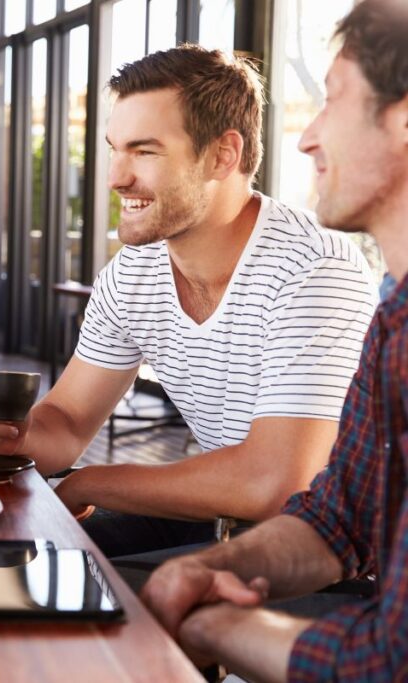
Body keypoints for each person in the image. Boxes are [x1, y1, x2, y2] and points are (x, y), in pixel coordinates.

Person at [0, 44, 379, 559]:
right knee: (1, 556)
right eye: (115, 148)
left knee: (92, 586)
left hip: (335, 549)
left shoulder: (314, 271)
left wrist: (89, 483)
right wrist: (14, 434)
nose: (116, 177)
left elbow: (278, 483)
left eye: (144, 151)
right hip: (217, 516)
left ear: (223, 155)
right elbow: (67, 423)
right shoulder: (133, 274)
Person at [141, 1, 408, 679]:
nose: (306, 137)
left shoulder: (326, 275)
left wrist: (218, 622)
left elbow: (389, 660)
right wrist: (206, 568)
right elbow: (337, 519)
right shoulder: (394, 321)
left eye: (334, 101)